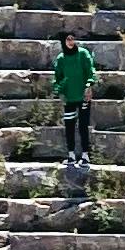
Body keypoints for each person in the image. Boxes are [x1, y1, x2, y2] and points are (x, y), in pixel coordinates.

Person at [53, 30, 98, 162]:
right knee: (69, 126)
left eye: (72, 39)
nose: (70, 42)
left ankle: (85, 155)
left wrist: (89, 86)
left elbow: (90, 71)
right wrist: (60, 92)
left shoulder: (83, 54)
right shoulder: (61, 59)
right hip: (69, 98)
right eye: (68, 39)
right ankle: (71, 154)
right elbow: (57, 78)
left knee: (83, 125)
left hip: (83, 96)